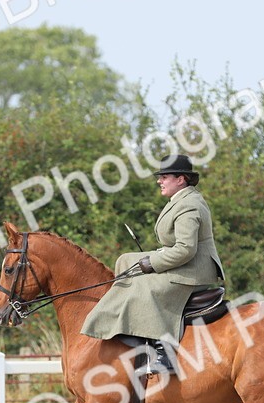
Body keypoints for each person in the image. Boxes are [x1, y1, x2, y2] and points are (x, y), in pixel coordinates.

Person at [81, 154, 225, 374]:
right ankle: (125, 323)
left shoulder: (190, 205)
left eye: (164, 177)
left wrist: (153, 263)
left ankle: (164, 354)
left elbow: (185, 249)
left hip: (194, 271)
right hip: (185, 263)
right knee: (125, 260)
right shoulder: (180, 200)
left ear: (181, 179)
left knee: (145, 287)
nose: (159, 181)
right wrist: (149, 260)